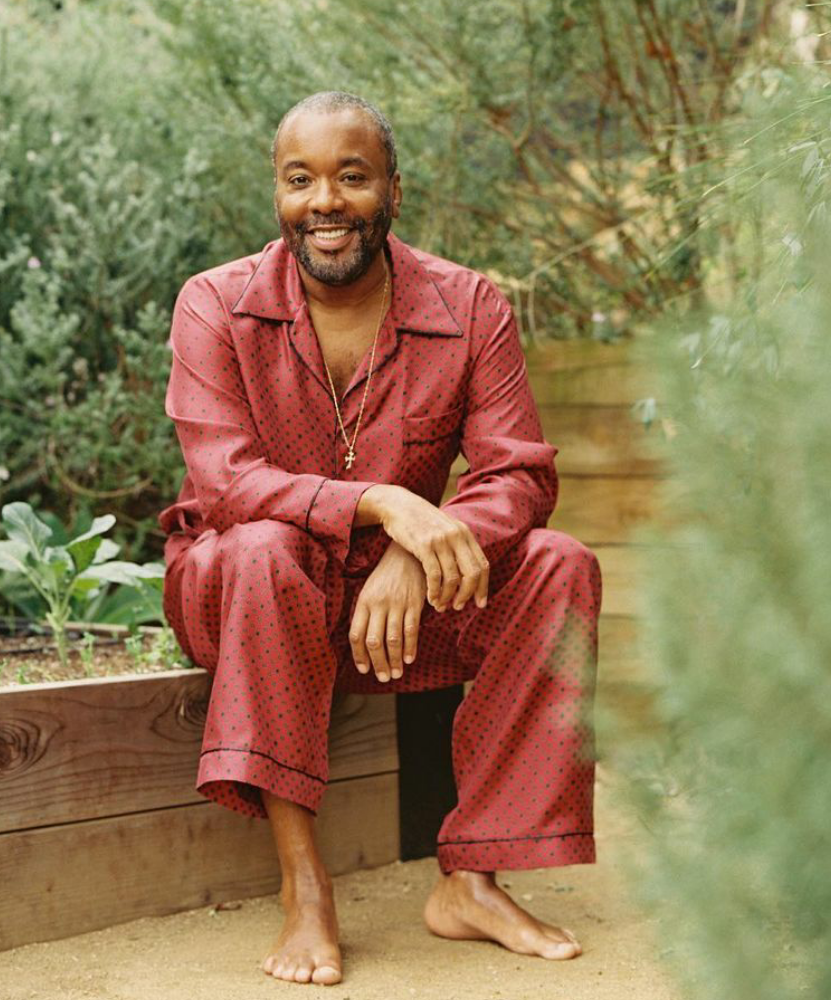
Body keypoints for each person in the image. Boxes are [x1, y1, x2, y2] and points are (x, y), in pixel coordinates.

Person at [159, 91, 603, 987]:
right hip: (245, 593)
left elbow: (520, 474)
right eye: (300, 180)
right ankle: (304, 885)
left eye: (352, 177)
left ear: (394, 190)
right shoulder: (215, 304)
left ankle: (471, 881)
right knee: (265, 547)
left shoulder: (470, 306)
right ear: (277, 194)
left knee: (560, 564)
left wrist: (416, 546)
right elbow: (228, 483)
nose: (325, 201)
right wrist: (382, 504)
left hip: (392, 614)